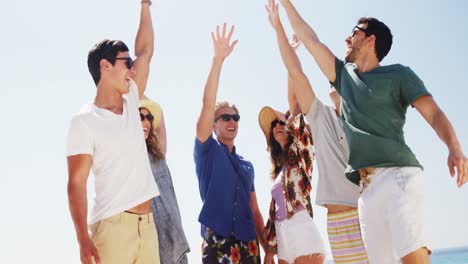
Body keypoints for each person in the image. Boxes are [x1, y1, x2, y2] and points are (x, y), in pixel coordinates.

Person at [276, 0, 468, 263]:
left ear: (370, 40)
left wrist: (454, 147)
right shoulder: (345, 77)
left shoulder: (398, 75)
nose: (347, 37)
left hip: (398, 177)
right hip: (366, 191)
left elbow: (433, 112)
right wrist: (286, 5)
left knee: (414, 258)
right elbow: (310, 39)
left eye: (354, 32)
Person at [264, 1, 368, 263]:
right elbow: (297, 74)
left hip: (366, 214)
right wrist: (278, 29)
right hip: (336, 221)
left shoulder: (366, 119)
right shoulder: (322, 119)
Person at [66, 1, 160, 263]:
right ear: (105, 66)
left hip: (148, 227)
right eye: (125, 62)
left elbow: (146, 51)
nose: (132, 68)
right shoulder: (84, 121)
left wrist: (145, 5)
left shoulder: (131, 97)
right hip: (111, 229)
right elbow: (76, 184)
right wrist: (82, 238)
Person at [193, 23, 265, 264]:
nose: (231, 121)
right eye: (225, 117)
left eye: (235, 117)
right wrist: (218, 61)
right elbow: (206, 104)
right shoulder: (207, 151)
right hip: (218, 240)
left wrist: (269, 248)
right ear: (214, 124)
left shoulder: (247, 165)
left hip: (249, 242)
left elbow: (255, 211)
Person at [139, 97, 191, 263]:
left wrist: (139, 94)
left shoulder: (158, 154)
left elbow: (161, 122)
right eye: (140, 117)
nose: (146, 122)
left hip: (174, 239)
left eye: (149, 118)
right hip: (148, 240)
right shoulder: (127, 155)